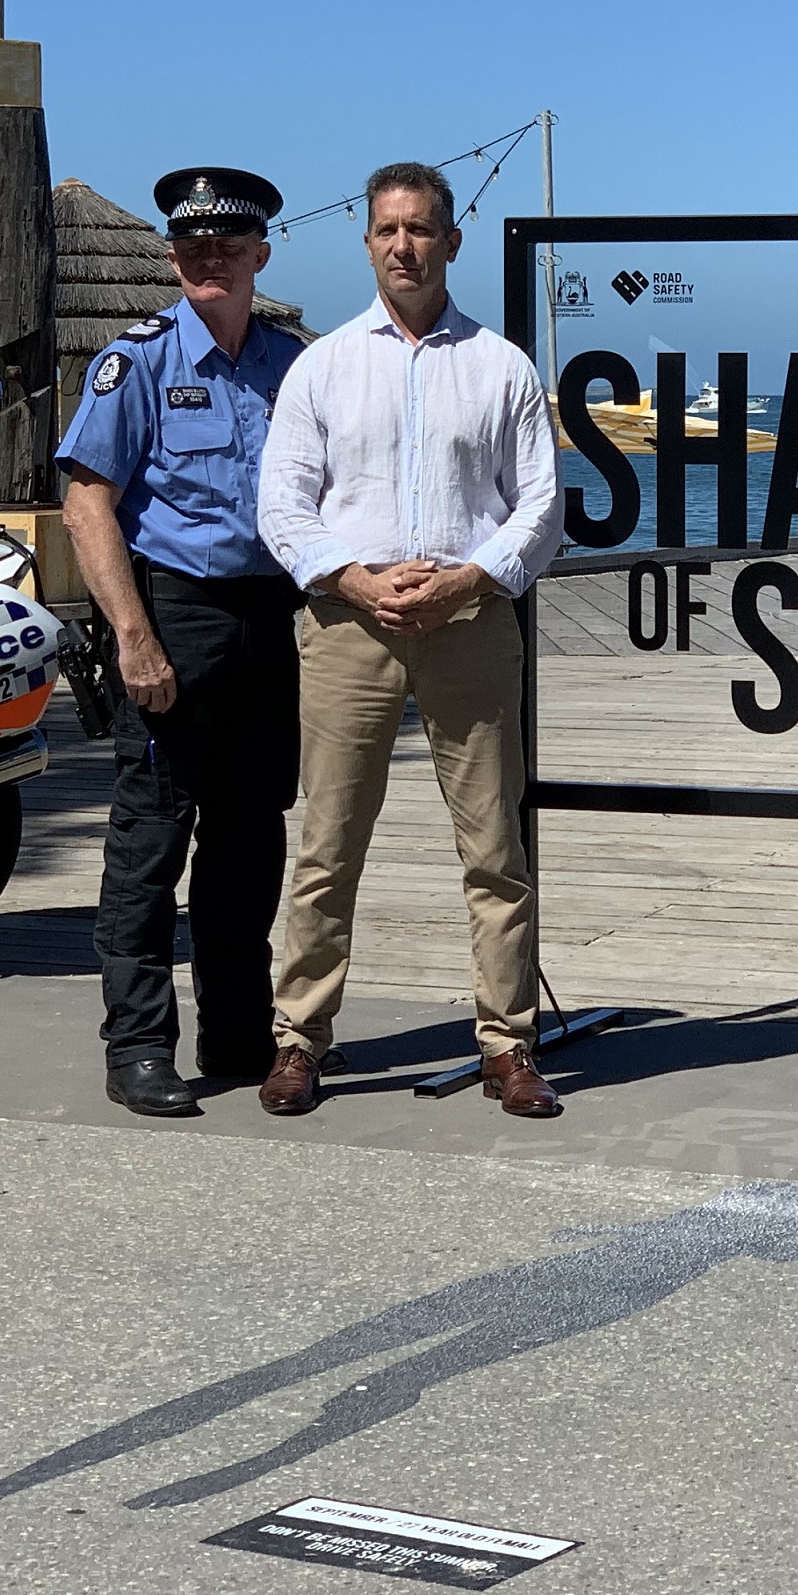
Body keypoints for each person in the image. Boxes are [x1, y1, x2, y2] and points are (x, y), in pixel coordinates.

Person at [253, 161, 566, 1118]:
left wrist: (470, 577)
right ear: (367, 245)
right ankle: (299, 1039)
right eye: (388, 230)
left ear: (450, 241)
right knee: (327, 845)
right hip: (351, 625)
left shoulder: (502, 367)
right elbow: (282, 504)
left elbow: (541, 507)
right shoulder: (322, 367)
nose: (404, 247)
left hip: (470, 622)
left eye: (421, 229)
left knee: (495, 848)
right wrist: (353, 578)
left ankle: (508, 1045)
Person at [56, 168, 304, 1118]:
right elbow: (88, 504)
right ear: (172, 258)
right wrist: (133, 636)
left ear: (260, 255)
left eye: (229, 247)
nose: (212, 260)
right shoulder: (139, 363)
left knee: (251, 839)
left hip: (269, 620)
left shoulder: (293, 365)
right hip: (174, 615)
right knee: (151, 842)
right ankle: (138, 1048)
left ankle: (237, 1034)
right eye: (195, 247)